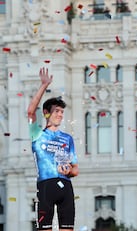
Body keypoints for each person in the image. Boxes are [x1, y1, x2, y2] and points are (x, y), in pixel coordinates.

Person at [27, 67, 79, 231]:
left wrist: (68, 170)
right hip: (45, 186)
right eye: (56, 111)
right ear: (46, 113)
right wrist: (44, 85)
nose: (60, 115)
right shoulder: (37, 134)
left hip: (66, 187)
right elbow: (30, 112)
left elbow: (76, 169)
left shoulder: (67, 138)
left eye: (62, 112)